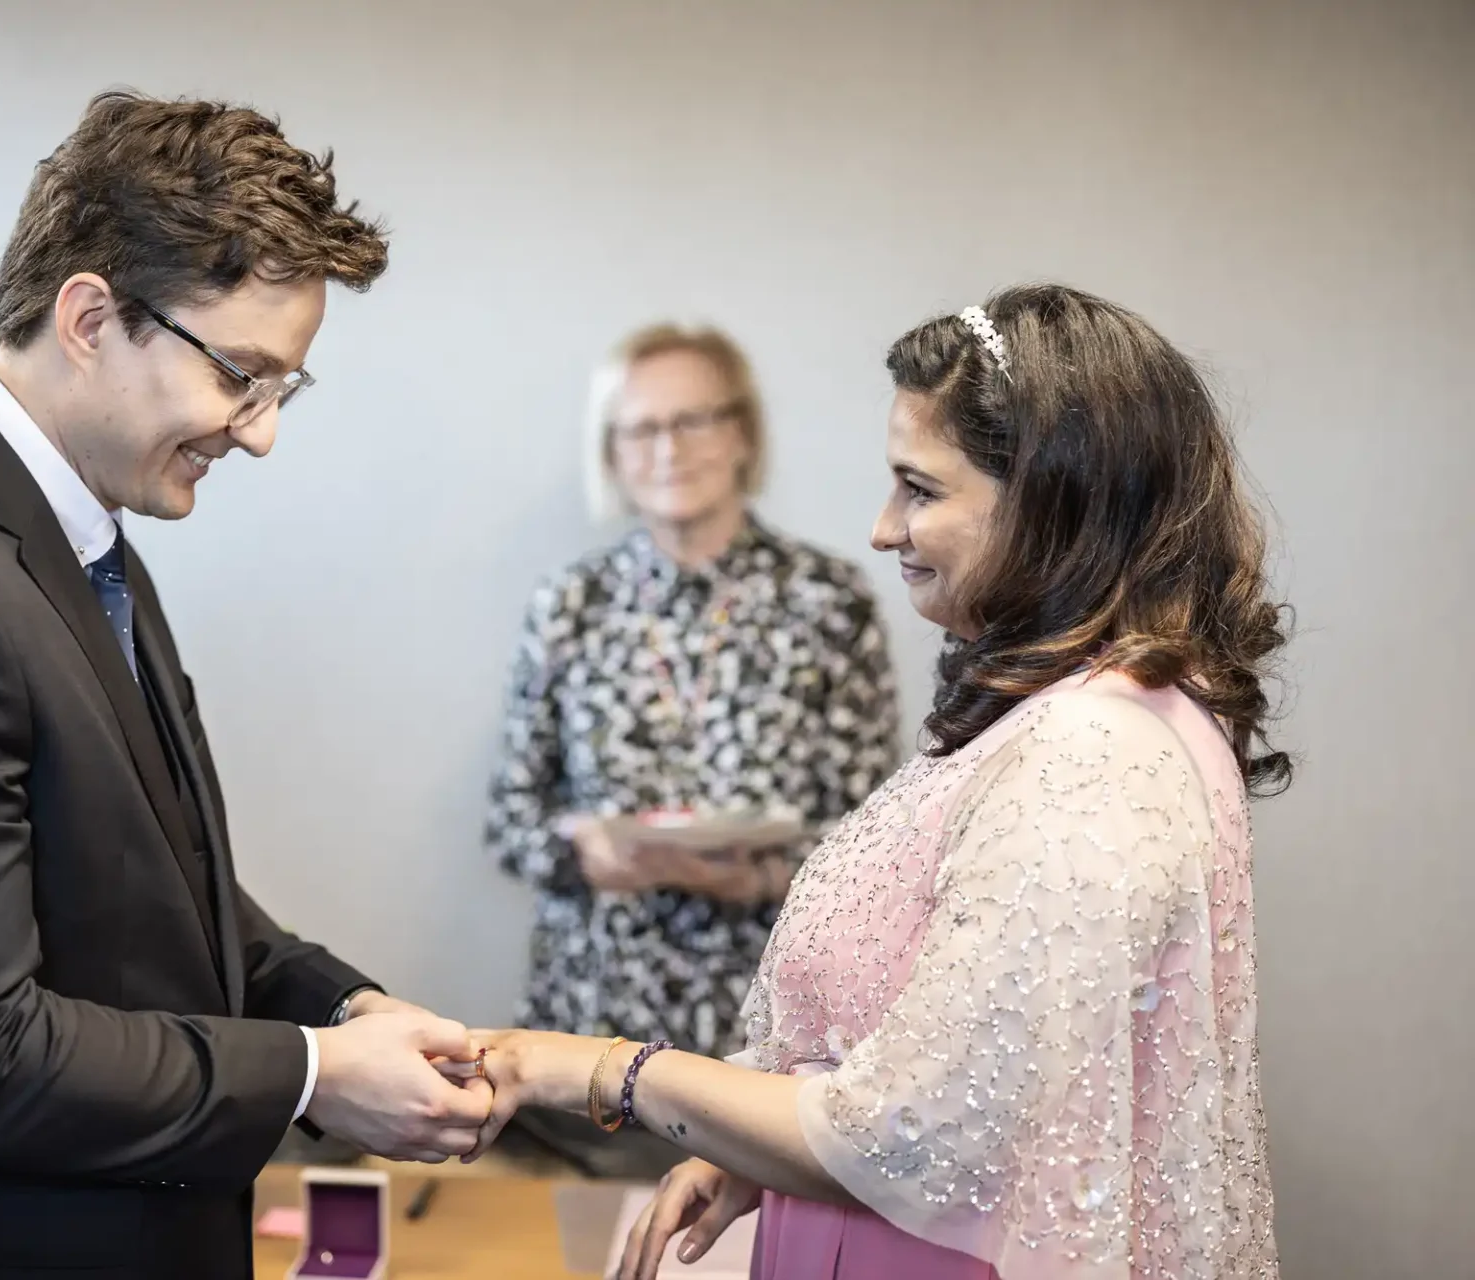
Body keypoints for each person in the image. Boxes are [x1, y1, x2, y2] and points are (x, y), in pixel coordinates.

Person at [0, 92, 490, 1280]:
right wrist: (317, 1077)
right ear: (89, 316)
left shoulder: (70, 529)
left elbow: (147, 887)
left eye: (285, 387)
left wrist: (344, 1008)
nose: (261, 431)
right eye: (243, 373)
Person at [464, 285, 1287, 1279]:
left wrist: (603, 1065)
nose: (885, 527)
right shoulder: (1063, 712)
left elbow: (918, 1127)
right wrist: (756, 1156)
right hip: (747, 1113)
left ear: (1049, 504)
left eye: (920, 488)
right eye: (638, 429)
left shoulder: (1090, 753)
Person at [486, 324, 899, 1063]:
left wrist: (765, 875)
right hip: (595, 1021)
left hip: (768, 1024)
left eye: (693, 420)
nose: (668, 450)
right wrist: (585, 850)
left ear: (743, 433)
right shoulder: (572, 603)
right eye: (641, 429)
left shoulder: (828, 600)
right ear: (611, 453)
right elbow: (511, 819)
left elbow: (874, 836)